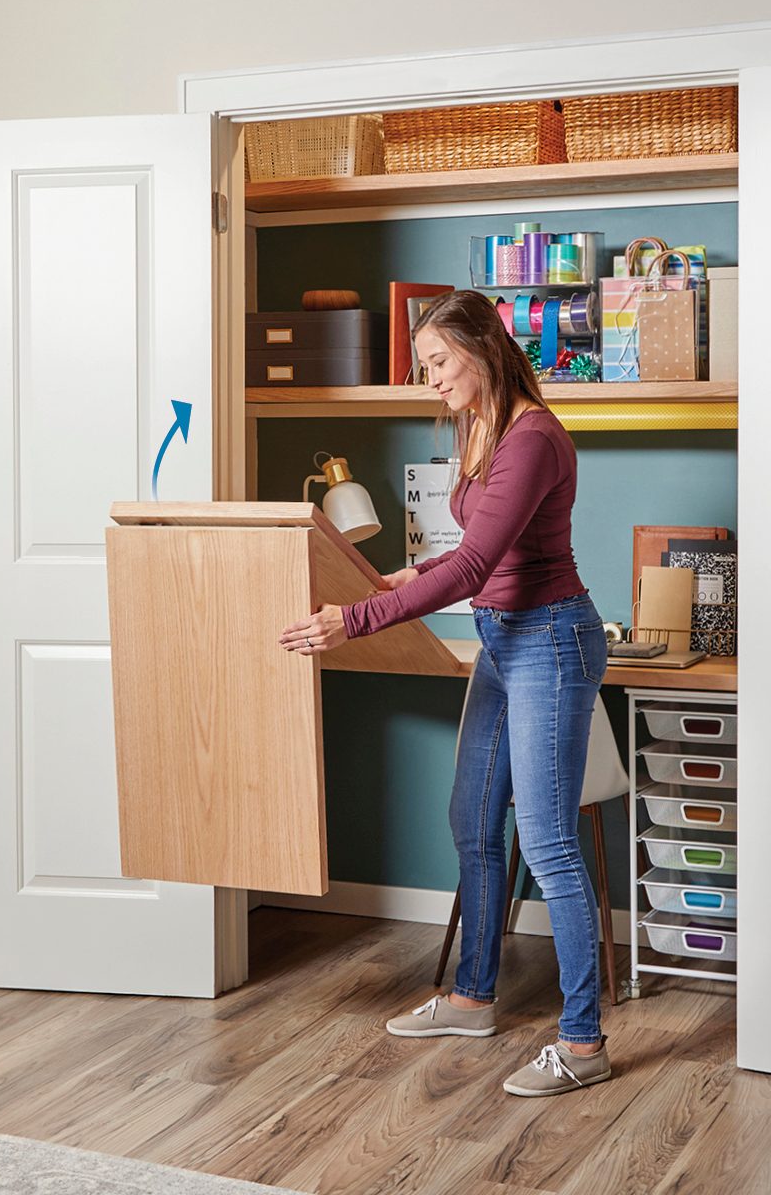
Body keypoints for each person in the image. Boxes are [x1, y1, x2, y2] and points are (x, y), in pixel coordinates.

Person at [278, 289, 611, 1097]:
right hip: (505, 640)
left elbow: (472, 568)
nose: (429, 380)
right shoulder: (481, 427)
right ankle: (472, 996)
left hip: (551, 642)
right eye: (423, 366)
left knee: (551, 844)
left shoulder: (531, 438)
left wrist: (355, 618)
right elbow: (474, 552)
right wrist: (408, 573)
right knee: (472, 821)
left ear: (481, 349)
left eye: (436, 362)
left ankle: (584, 1042)